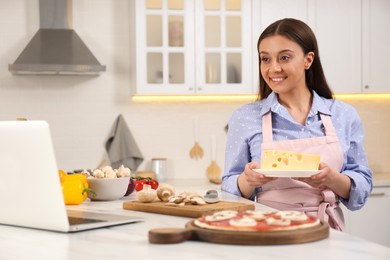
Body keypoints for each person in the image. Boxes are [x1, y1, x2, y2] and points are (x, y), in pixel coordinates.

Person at [221, 18, 373, 231]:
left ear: (308, 60)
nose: (273, 68)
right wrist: (248, 179)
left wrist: (331, 179)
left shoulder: (343, 114)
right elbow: (228, 190)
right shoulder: (245, 117)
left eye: (284, 57)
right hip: (267, 231)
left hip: (327, 232)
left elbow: (362, 187)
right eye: (265, 59)